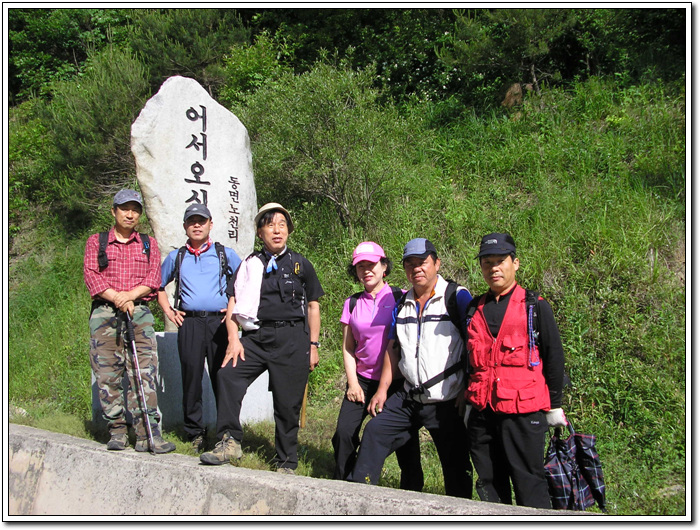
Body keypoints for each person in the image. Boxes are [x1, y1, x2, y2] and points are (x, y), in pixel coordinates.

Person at [200, 203, 324, 473]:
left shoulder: (302, 264)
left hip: (293, 338)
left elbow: (313, 306)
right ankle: (229, 441)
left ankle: (286, 461)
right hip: (255, 337)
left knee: (287, 403)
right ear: (260, 232)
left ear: (288, 230)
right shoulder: (249, 264)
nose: (276, 230)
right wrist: (234, 339)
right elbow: (233, 300)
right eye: (270, 225)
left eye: (282, 224)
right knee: (228, 376)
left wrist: (313, 346)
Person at [350, 238, 473, 498]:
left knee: (455, 467)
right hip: (408, 397)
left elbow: (475, 344)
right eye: (410, 264)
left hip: (446, 399)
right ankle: (360, 499)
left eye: (422, 262)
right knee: (374, 431)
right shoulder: (402, 303)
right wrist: (383, 389)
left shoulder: (456, 297)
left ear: (436, 263)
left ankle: (460, 514)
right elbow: (393, 348)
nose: (416, 268)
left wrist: (467, 389)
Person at [465, 232, 566, 508]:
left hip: (523, 415)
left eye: (500, 261)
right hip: (483, 414)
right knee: (489, 482)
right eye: (487, 263)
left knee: (528, 482)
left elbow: (554, 358)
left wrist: (554, 405)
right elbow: (469, 361)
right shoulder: (474, 308)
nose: (494, 268)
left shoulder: (536, 307)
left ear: (515, 263)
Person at [83, 189, 175, 453]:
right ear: (114, 211)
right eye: (125, 208)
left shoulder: (148, 243)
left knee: (143, 371)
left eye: (135, 209)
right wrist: (118, 298)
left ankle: (148, 433)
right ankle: (117, 430)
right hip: (104, 313)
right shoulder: (96, 242)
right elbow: (92, 275)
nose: (130, 214)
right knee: (108, 371)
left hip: (139, 312)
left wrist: (130, 297)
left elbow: (153, 279)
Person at [332, 242, 423, 491]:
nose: (366, 271)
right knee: (343, 434)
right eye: (360, 267)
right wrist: (352, 383)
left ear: (384, 266)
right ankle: (344, 486)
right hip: (361, 379)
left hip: (395, 381)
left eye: (371, 265)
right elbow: (348, 348)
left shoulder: (401, 297)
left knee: (405, 441)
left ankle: (413, 490)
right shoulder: (351, 303)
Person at [157, 203, 242, 453]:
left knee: (222, 377)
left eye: (201, 221)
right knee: (191, 377)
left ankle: (226, 432)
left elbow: (244, 283)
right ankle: (195, 432)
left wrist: (233, 309)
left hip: (219, 323)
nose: (197, 225)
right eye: (192, 221)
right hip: (190, 323)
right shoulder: (177, 256)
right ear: (185, 226)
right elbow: (158, 287)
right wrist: (169, 311)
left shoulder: (225, 254)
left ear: (210, 225)